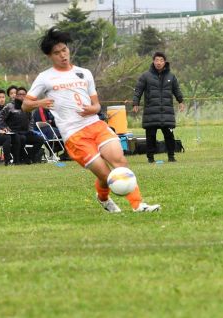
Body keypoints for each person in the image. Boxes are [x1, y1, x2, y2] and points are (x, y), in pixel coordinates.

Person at [22, 28, 160, 213]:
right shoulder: (45, 78)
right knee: (106, 175)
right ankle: (103, 198)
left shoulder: (84, 73)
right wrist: (40, 102)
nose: (63, 55)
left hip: (95, 125)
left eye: (64, 50)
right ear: (49, 56)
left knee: (120, 162)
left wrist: (92, 109)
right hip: (74, 135)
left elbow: (96, 105)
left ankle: (139, 205)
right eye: (57, 53)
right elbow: (25, 105)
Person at [132, 51, 185, 164]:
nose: (159, 62)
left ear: (165, 62)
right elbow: (138, 90)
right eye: (156, 60)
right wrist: (135, 102)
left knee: (169, 135)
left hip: (167, 112)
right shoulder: (146, 76)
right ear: (153, 61)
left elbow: (177, 90)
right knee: (150, 136)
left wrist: (181, 101)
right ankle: (150, 158)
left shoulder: (171, 76)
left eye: (161, 60)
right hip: (151, 112)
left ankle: (171, 156)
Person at [0, 87, 45, 164]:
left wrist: (30, 129)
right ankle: (17, 160)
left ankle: (29, 157)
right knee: (21, 138)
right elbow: (0, 117)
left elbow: (31, 119)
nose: (22, 96)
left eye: (24, 94)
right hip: (14, 133)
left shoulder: (28, 106)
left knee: (40, 139)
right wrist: (5, 127)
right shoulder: (9, 106)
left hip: (26, 132)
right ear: (16, 96)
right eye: (19, 94)